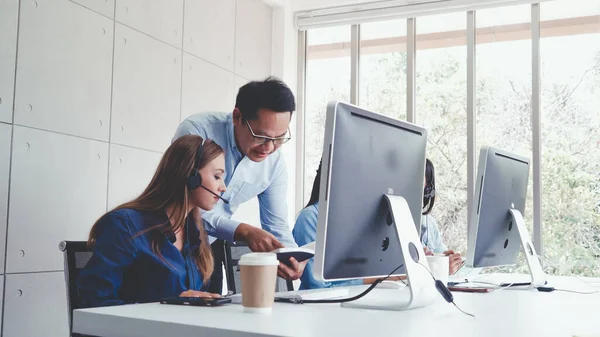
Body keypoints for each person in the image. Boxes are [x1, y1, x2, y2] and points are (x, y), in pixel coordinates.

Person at [173, 77, 306, 283]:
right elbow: (186, 202)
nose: (269, 148)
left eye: (279, 139)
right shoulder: (198, 133)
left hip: (210, 247)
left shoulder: (274, 163)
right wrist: (243, 231)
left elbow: (277, 225)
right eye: (261, 137)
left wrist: (292, 256)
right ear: (237, 117)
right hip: (175, 240)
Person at [77, 135, 227, 308]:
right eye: (217, 176)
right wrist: (168, 305)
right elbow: (95, 301)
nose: (223, 187)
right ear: (190, 175)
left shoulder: (196, 234)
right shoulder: (124, 225)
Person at [293, 158, 462, 290]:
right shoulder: (310, 218)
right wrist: (402, 274)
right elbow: (319, 286)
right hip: (320, 312)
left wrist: (436, 264)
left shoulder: (371, 221)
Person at [421, 158, 463, 275]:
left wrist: (448, 260)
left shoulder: (430, 223)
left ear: (428, 189)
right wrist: (441, 269)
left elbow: (440, 253)